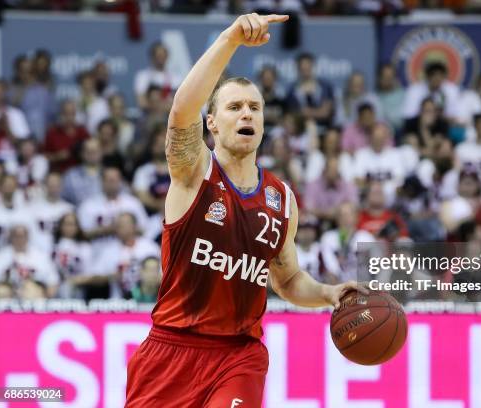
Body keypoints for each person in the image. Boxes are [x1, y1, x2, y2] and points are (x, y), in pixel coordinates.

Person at [125, 14, 367, 408]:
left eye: (255, 107)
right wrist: (229, 39)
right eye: (234, 106)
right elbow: (180, 112)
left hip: (239, 355)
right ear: (212, 124)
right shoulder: (193, 171)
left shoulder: (282, 198)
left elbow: (287, 281)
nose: (247, 113)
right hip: (171, 350)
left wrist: (328, 292)